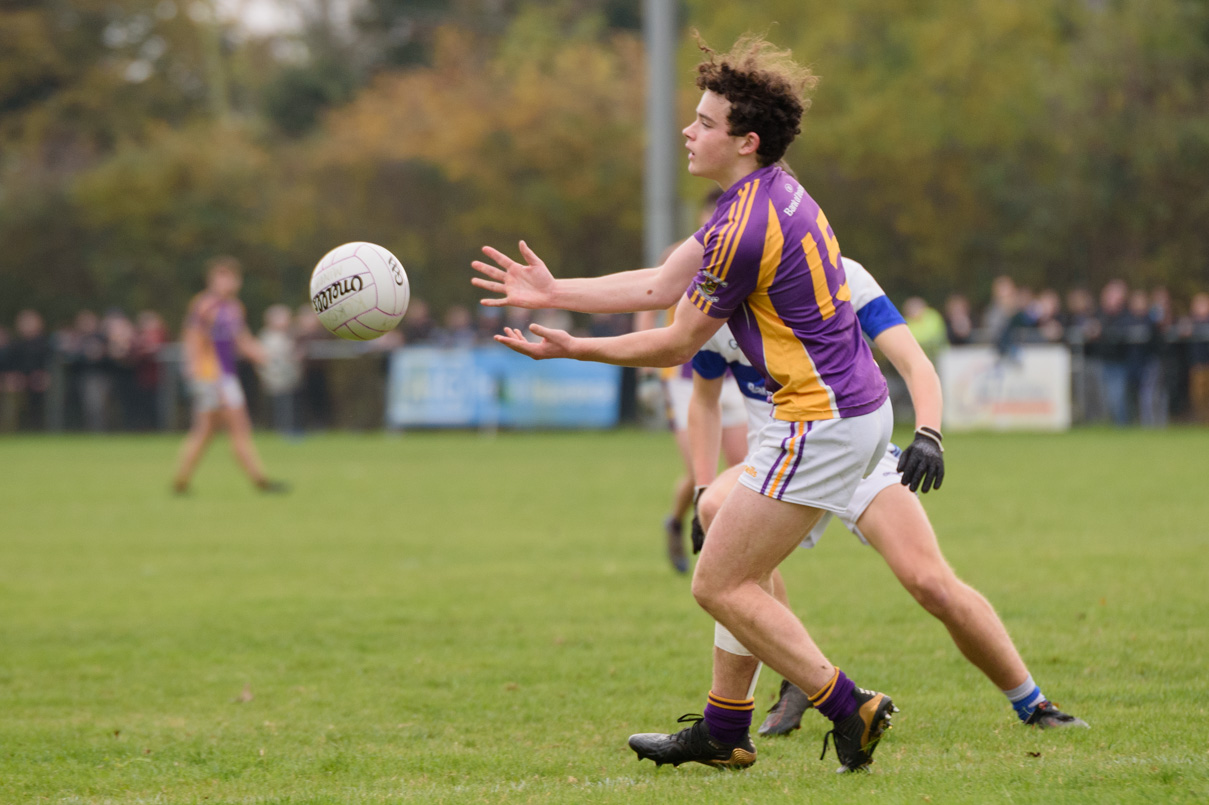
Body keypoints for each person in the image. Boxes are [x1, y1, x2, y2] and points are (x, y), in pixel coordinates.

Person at [473, 34, 943, 772]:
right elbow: (664, 282)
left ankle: (849, 704)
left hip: (818, 423)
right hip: (836, 413)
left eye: (702, 122)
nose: (688, 133)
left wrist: (574, 347)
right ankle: (725, 728)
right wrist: (556, 290)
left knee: (716, 581)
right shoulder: (763, 194)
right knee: (728, 540)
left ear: (744, 141)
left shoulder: (747, 225)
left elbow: (673, 340)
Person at [687, 259, 1086, 740]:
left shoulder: (839, 276)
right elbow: (703, 399)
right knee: (715, 511)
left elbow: (916, 362)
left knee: (930, 583)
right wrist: (702, 486)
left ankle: (1034, 704)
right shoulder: (720, 295)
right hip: (779, 461)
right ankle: (796, 675)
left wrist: (929, 433)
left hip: (857, 453)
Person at [172, 257, 287, 494]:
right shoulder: (204, 305)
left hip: (225, 376)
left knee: (205, 432)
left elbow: (241, 341)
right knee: (238, 428)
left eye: (231, 277)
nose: (227, 282)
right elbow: (192, 337)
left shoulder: (234, 308)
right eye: (221, 276)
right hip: (212, 377)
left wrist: (264, 355)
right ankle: (260, 480)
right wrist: (193, 368)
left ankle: (181, 481)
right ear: (212, 280)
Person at [258, 304, 302, 436]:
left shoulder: (288, 335)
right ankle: (282, 429)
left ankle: (290, 427)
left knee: (290, 403)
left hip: (289, 377)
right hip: (276, 377)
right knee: (281, 404)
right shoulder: (267, 336)